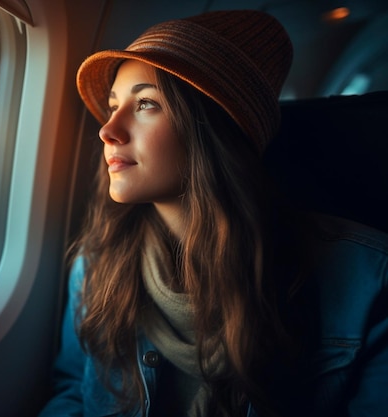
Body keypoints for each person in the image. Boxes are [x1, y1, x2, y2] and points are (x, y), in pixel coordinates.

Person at [38, 10, 388, 417]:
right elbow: (73, 395)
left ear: (214, 127)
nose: (107, 130)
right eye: (114, 105)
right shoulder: (96, 265)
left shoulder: (369, 282)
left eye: (146, 103)